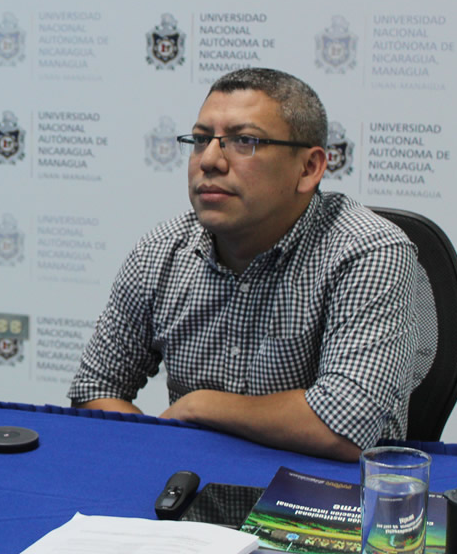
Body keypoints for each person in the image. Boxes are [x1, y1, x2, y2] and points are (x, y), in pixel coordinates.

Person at [68, 68, 436, 462]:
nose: (209, 160)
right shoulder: (161, 251)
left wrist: (201, 406)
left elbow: (347, 424)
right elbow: (95, 386)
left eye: (244, 141)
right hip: (194, 491)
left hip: (327, 500)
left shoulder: (367, 250)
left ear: (309, 168)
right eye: (200, 139)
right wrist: (156, 456)